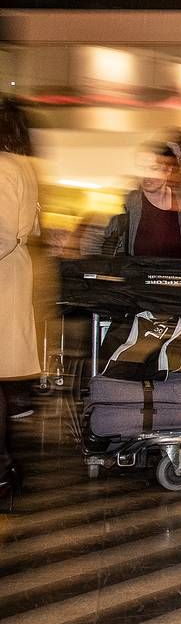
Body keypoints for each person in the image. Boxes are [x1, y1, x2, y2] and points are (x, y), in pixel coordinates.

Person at [0, 98, 41, 507]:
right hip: (11, 281)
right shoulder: (24, 168)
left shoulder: (3, 168)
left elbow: (2, 231)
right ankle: (5, 470)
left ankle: (2, 472)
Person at [102, 136, 181, 262]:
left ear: (168, 170)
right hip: (137, 279)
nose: (147, 175)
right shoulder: (127, 206)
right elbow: (102, 241)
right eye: (142, 168)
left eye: (154, 168)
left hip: (176, 279)